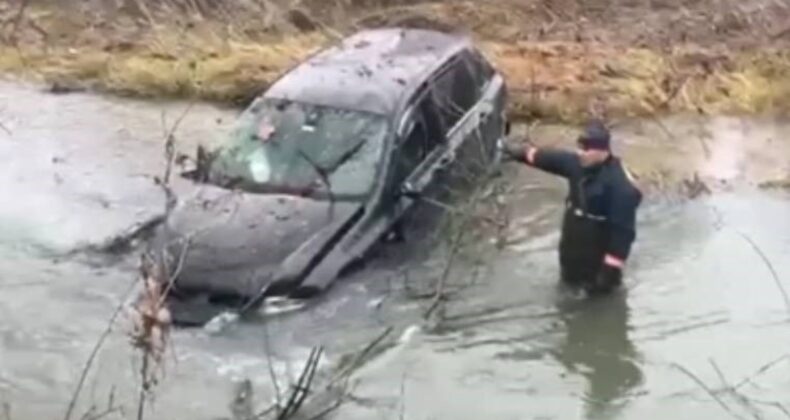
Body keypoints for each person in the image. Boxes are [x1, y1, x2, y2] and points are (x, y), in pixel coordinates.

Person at [501, 119, 642, 295]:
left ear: (603, 151)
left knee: (595, 307)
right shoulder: (577, 164)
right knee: (566, 293)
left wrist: (607, 275)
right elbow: (545, 159)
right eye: (580, 148)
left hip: (597, 258)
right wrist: (516, 152)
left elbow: (623, 235)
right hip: (572, 250)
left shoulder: (620, 187)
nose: (581, 153)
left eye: (587, 149)